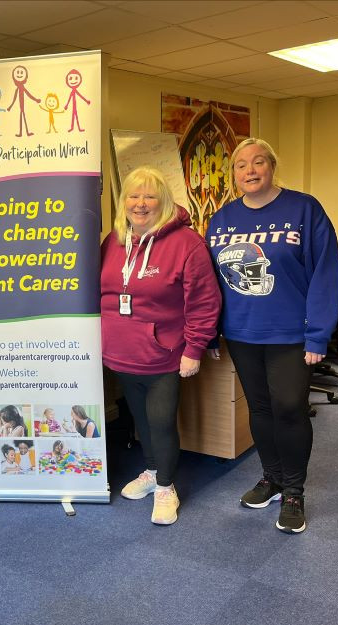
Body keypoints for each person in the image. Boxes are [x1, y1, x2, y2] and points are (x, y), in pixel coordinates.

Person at [207, 138, 338, 534]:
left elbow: (325, 274)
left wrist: (317, 335)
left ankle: (295, 491)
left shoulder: (303, 209)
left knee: (289, 408)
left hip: (291, 334)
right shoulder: (222, 219)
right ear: (233, 174)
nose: (250, 170)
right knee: (260, 409)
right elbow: (210, 282)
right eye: (241, 165)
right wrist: (211, 333)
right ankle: (272, 478)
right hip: (242, 332)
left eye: (258, 162)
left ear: (272, 166)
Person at [101, 167, 221, 526]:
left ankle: (167, 486)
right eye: (133, 196)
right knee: (139, 418)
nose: (140, 204)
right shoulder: (113, 239)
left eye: (149, 196)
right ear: (124, 203)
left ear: (164, 202)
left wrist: (194, 348)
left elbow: (204, 301)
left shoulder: (187, 243)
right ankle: (152, 471)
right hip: (122, 352)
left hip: (164, 354)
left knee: (160, 420)